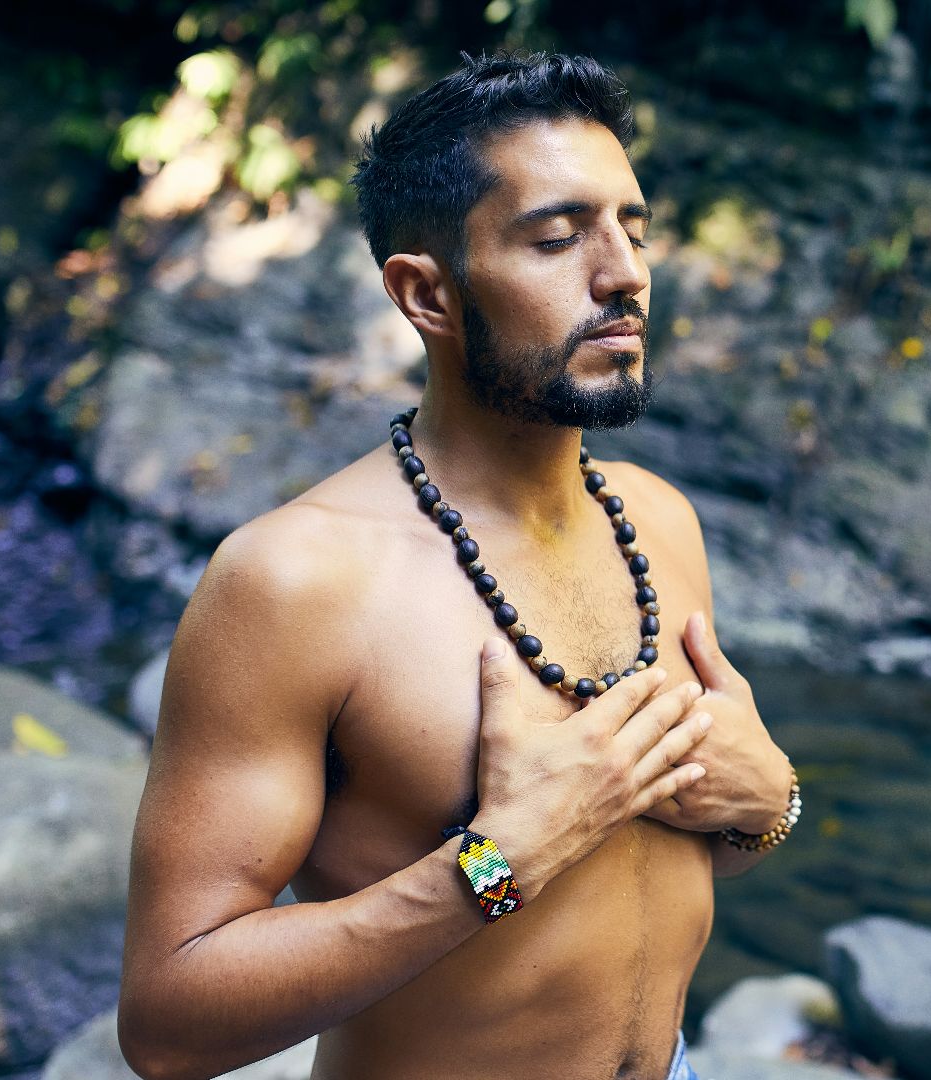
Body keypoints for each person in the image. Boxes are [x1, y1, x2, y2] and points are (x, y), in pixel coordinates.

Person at [117, 51, 797, 1080]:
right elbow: (168, 1026)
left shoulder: (661, 523)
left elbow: (648, 867)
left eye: (634, 227)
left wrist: (769, 802)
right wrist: (497, 863)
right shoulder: (297, 582)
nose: (624, 275)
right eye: (560, 238)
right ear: (426, 294)